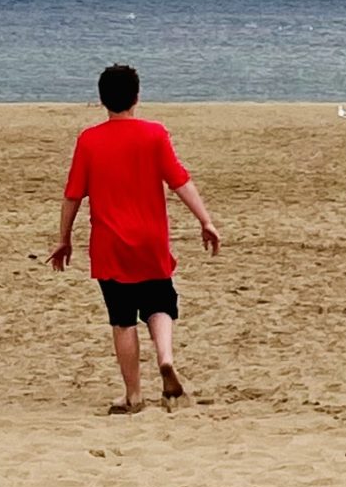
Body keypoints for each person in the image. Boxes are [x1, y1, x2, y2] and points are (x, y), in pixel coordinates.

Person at [49, 64, 221, 414]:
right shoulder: (154, 134)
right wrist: (206, 220)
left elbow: (72, 196)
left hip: (110, 245)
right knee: (160, 303)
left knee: (122, 319)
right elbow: (180, 182)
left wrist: (63, 239)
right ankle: (166, 359)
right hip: (151, 240)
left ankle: (134, 396)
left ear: (102, 101)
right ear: (137, 97)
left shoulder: (90, 140)